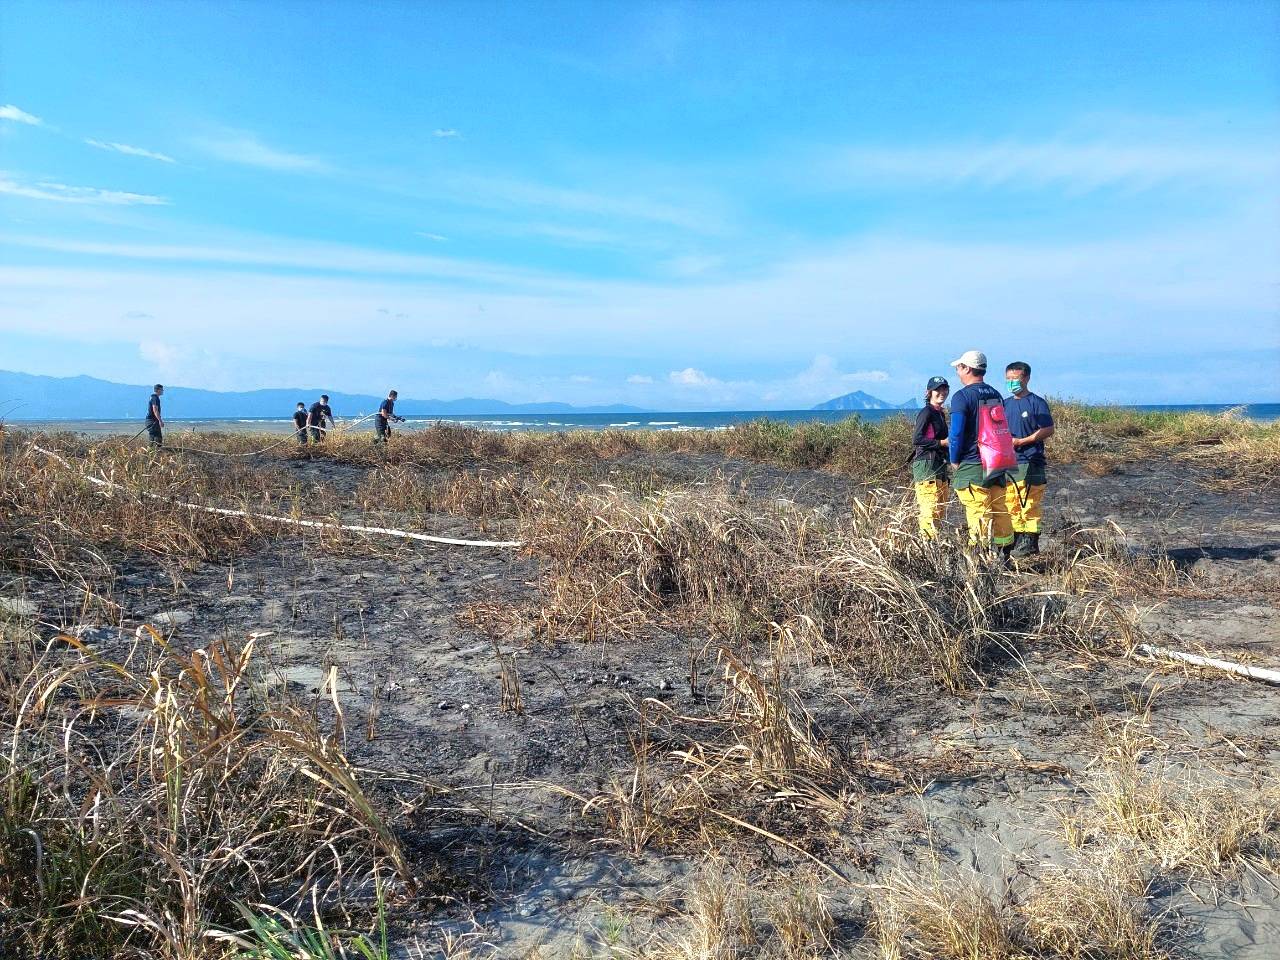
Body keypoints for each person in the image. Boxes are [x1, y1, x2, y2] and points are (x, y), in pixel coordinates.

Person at [947, 350, 1015, 553]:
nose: (958, 372)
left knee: (979, 510)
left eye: (959, 367)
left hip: (973, 463)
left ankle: (980, 556)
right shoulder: (995, 394)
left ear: (967, 368)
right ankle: (1004, 553)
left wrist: (954, 459)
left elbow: (956, 433)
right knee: (1000, 508)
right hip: (997, 463)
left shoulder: (962, 397)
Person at [1003, 361, 1055, 558]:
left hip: (1031, 459)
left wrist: (1023, 441)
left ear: (1026, 378)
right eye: (1008, 379)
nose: (1011, 383)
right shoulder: (1005, 404)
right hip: (1010, 461)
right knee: (1011, 501)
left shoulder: (1037, 403)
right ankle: (1016, 538)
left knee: (1029, 501)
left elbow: (1048, 429)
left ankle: (1030, 541)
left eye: (1015, 379)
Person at [911, 376, 950, 538]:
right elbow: (917, 439)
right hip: (926, 463)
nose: (941, 392)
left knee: (940, 506)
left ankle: (935, 543)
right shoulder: (926, 412)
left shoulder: (939, 413)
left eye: (944, 389)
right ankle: (928, 543)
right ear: (929, 393)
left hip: (939, 463)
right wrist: (941, 443)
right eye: (937, 389)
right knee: (930, 507)